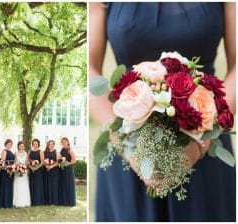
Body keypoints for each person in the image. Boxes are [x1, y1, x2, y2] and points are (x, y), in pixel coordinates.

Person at [89, 2, 236, 221]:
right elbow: (89, 69)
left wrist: (201, 141)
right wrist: (126, 144)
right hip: (127, 149)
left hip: (204, 146)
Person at [58, 137, 76, 206]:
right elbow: (60, 159)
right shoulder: (62, 150)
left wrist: (67, 163)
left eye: (64, 142)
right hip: (62, 169)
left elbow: (74, 160)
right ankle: (63, 201)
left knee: (68, 185)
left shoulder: (70, 150)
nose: (63, 143)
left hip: (68, 169)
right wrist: (60, 162)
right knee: (63, 184)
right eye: (62, 142)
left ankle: (69, 202)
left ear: (68, 142)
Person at [13, 141, 31, 207]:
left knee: (24, 185)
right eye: (20, 146)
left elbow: (26, 162)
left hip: (24, 172)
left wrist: (24, 168)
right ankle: (17, 202)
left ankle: (24, 201)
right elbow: (14, 162)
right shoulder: (16, 153)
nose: (21, 147)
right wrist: (17, 168)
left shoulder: (26, 153)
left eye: (23, 146)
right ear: (18, 146)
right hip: (17, 171)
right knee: (17, 185)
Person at [28, 139, 45, 206]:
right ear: (32, 144)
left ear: (38, 144)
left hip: (38, 171)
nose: (35, 145)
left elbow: (42, 162)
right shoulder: (30, 152)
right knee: (32, 184)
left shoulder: (40, 151)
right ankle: (32, 200)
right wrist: (31, 167)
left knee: (37, 185)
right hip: (31, 171)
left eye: (36, 144)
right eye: (34, 143)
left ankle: (38, 201)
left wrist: (36, 168)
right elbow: (27, 161)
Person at [0, 139, 15, 208]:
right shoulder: (4, 151)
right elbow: (2, 163)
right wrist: (8, 169)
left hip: (11, 171)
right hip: (6, 172)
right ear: (5, 145)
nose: (9, 145)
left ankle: (8, 203)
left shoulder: (11, 152)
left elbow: (13, 162)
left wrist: (13, 169)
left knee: (9, 187)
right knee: (5, 187)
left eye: (10, 144)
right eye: (8, 144)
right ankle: (4, 203)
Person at [43, 140, 59, 205]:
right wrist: (46, 165)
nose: (51, 145)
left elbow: (58, 162)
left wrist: (51, 166)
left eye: (52, 144)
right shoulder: (45, 152)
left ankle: (53, 201)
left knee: (53, 185)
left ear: (54, 145)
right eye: (49, 144)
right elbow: (43, 161)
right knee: (46, 185)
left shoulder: (56, 152)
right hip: (46, 170)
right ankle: (47, 201)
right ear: (48, 145)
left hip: (54, 170)